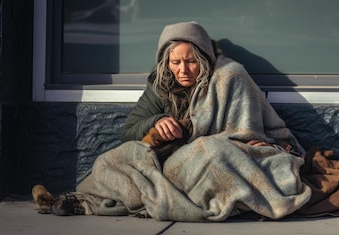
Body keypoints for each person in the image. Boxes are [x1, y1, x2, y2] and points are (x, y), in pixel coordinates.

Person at [41, 21, 312, 222]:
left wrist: (245, 144)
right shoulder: (162, 84)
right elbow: (128, 133)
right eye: (175, 62)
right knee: (110, 160)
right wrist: (156, 122)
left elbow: (246, 133)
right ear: (165, 62)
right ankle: (84, 201)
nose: (183, 70)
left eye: (191, 62)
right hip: (168, 158)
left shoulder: (230, 77)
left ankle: (153, 198)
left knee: (209, 152)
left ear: (204, 58)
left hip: (214, 154)